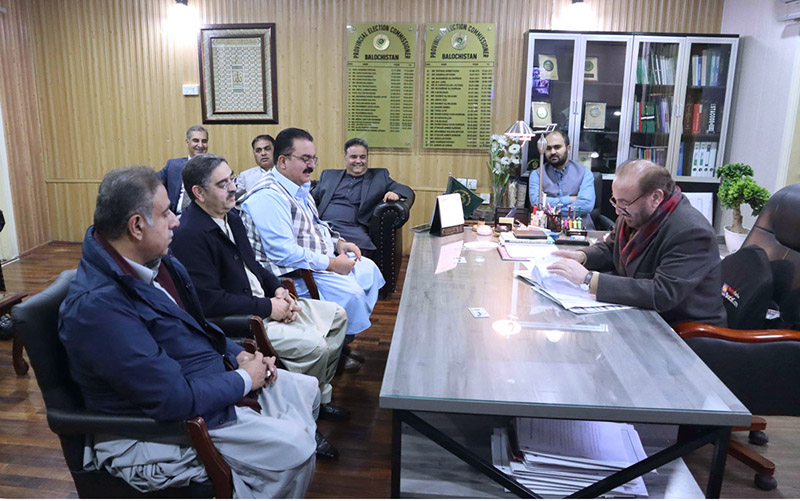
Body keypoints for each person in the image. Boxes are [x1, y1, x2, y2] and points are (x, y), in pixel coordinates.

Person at [59, 166, 321, 497]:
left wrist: (236, 353)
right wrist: (244, 379)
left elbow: (200, 327)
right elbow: (171, 399)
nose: (176, 221)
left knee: (307, 389)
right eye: (166, 212)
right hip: (163, 425)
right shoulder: (97, 307)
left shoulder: (159, 262)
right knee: (295, 449)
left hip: (207, 382)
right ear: (137, 226)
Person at [171, 154, 350, 458]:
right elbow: (210, 301)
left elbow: (255, 264)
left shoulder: (232, 215)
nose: (233, 188)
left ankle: (317, 396)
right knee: (316, 348)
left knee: (337, 316)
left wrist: (279, 289)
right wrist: (268, 307)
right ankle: (308, 418)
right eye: (223, 183)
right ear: (198, 193)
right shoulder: (189, 234)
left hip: (264, 303)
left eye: (233, 179)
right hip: (243, 317)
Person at [238, 128, 385, 369]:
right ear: (283, 161)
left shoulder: (297, 186)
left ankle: (341, 344)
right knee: (353, 295)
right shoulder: (268, 196)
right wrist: (332, 264)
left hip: (318, 261)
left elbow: (317, 225)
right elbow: (282, 253)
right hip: (293, 276)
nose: (312, 166)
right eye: (305, 159)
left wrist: (339, 243)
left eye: (313, 159)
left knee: (368, 269)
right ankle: (333, 354)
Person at [546, 159, 727, 326]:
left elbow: (662, 293)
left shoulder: (691, 232)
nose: (617, 211)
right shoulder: (636, 213)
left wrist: (588, 279)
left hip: (683, 329)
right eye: (615, 201)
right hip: (643, 315)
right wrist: (582, 256)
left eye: (624, 203)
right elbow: (612, 247)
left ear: (655, 197)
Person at [311, 138, 413, 258]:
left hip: (352, 229)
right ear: (345, 158)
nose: (358, 161)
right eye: (353, 157)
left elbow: (406, 190)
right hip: (323, 226)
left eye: (362, 157)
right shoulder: (329, 176)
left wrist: (396, 194)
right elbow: (312, 199)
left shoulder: (379, 177)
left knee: (360, 253)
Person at [528, 130, 596, 229]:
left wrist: (552, 211)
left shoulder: (585, 173)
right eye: (548, 148)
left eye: (557, 147)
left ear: (568, 148)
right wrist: (570, 199)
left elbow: (586, 205)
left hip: (580, 230)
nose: (552, 152)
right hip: (548, 229)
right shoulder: (537, 175)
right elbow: (536, 203)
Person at [159, 125, 208, 215]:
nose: (200, 145)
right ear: (187, 142)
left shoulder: (215, 168)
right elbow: (152, 183)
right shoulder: (173, 166)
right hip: (174, 217)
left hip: (202, 218)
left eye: (204, 141)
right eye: (196, 140)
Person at [236, 134, 275, 199]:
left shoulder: (286, 174)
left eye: (267, 149)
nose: (263, 153)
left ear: (275, 151)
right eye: (258, 150)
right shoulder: (245, 176)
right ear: (254, 154)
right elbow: (237, 200)